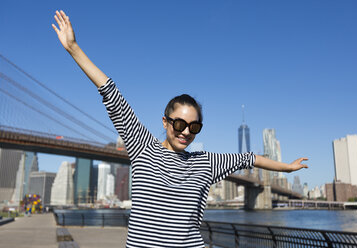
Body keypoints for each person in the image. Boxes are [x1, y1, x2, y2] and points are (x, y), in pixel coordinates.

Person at [52, 10, 308, 247]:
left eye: (194, 127)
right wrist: (73, 48)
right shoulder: (142, 147)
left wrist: (286, 167)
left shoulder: (205, 162)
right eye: (179, 124)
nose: (186, 132)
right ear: (165, 122)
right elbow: (110, 92)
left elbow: (251, 157)